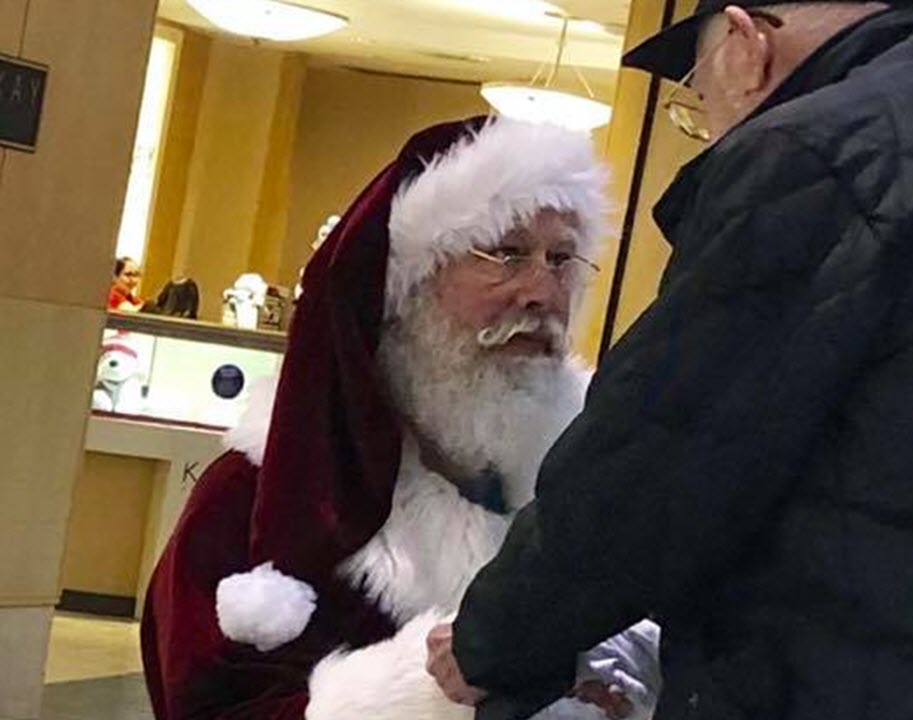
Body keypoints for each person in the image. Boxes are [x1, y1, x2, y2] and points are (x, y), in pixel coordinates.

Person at [427, 2, 913, 719]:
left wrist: (494, 640)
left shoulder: (821, 150)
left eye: (695, 101)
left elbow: (662, 455)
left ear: (744, 45)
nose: (708, 124)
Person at [140, 117, 660, 720]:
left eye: (562, 258)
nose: (543, 293)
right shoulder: (258, 496)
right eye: (508, 254)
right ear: (407, 289)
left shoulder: (584, 486)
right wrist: (432, 694)